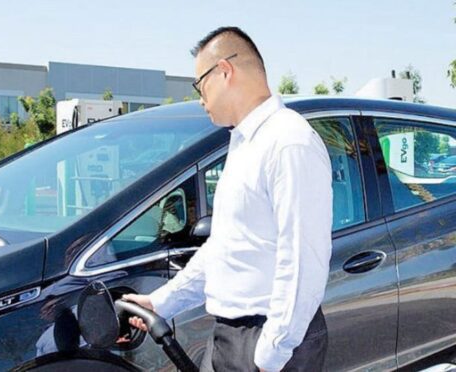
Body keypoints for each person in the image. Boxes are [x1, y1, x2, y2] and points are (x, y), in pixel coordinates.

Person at [123, 26, 333, 372]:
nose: (200, 97)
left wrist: (270, 356)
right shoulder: (244, 143)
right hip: (229, 335)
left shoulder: (289, 142)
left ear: (224, 71)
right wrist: (161, 302)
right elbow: (224, 247)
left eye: (199, 84)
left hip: (269, 340)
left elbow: (301, 261)